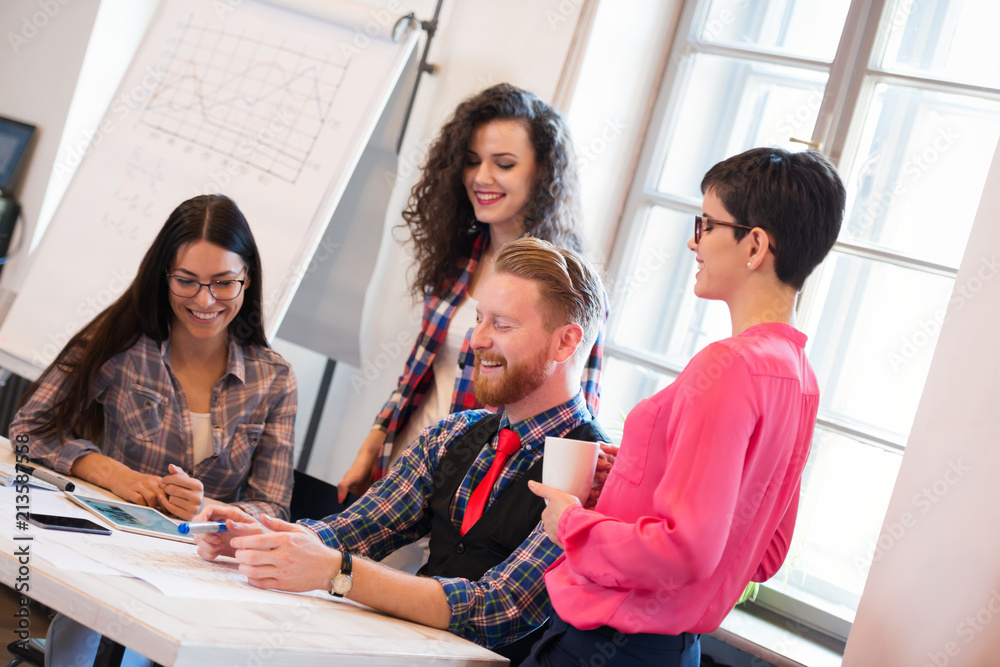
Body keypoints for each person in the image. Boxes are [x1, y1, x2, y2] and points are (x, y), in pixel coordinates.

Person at [193, 238, 612, 661]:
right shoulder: (450, 436)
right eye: (480, 319)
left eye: (502, 325)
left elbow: (500, 609)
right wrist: (259, 538)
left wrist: (336, 572)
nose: (477, 339)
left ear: (565, 343)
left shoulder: (597, 472)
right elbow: (358, 528)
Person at [526, 147, 847, 666]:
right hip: (672, 651)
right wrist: (634, 480)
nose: (693, 241)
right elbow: (763, 553)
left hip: (608, 649)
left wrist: (570, 524)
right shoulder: (799, 377)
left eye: (706, 224)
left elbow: (683, 549)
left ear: (755, 245)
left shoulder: (730, 367)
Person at [337, 83, 604, 504]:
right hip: (410, 463)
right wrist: (374, 440)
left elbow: (578, 408)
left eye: (505, 164)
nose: (481, 177)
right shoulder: (459, 256)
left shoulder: (568, 285)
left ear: (542, 173)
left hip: (481, 490)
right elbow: (417, 370)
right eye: (472, 161)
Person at [10, 194, 296, 521]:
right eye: (186, 281)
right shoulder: (120, 340)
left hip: (198, 560)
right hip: (106, 533)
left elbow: (273, 509)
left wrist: (208, 508)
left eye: (224, 282)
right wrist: (110, 472)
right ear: (164, 277)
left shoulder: (274, 378)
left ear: (248, 279)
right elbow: (28, 430)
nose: (205, 300)